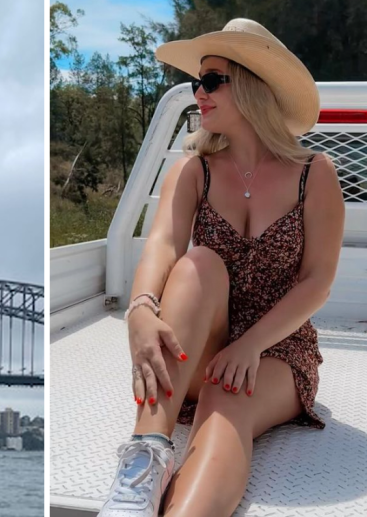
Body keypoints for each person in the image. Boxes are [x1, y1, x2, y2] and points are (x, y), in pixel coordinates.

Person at [97, 18, 345, 517]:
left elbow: (318, 282)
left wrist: (250, 345)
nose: (198, 93)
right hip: (200, 340)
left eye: (211, 81)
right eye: (195, 83)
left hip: (277, 348)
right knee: (197, 264)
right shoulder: (193, 170)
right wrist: (142, 311)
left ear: (253, 86)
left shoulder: (314, 175)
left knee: (227, 395)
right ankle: (145, 458)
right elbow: (163, 246)